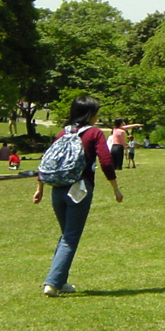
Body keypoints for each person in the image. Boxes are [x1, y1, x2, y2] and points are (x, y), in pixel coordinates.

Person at [33, 95, 123, 297]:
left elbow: (47, 160)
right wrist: (116, 189)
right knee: (70, 237)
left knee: (66, 235)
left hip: (57, 189)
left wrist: (39, 188)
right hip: (79, 189)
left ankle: (61, 280)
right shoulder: (94, 133)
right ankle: (52, 283)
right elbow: (106, 161)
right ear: (90, 114)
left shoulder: (61, 133)